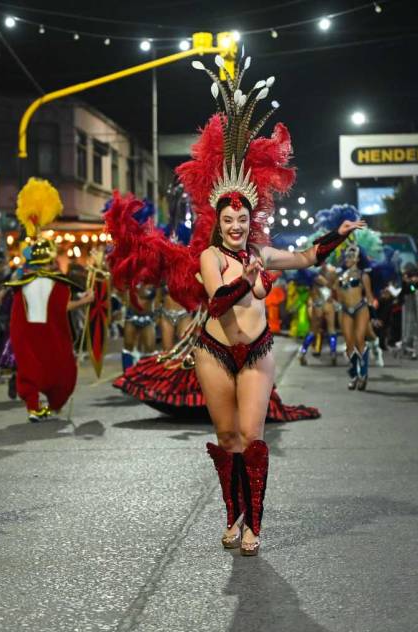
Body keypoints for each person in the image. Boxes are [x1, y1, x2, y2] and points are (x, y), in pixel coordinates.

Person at [105, 53, 363, 556]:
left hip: (257, 352)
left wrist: (338, 235)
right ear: (219, 220)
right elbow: (218, 301)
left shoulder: (262, 253)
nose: (237, 225)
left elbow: (308, 256)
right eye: (229, 219)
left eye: (244, 218)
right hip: (213, 351)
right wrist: (246, 281)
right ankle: (233, 514)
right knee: (226, 437)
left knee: (251, 435)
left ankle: (254, 527)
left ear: (251, 219)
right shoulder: (209, 257)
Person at [6, 178, 94, 422]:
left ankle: (34, 408)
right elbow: (63, 308)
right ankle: (50, 404)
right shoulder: (56, 284)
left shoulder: (19, 284)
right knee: (56, 368)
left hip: (26, 332)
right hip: (48, 332)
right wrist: (86, 301)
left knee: (30, 370)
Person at [336, 245, 373, 390]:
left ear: (357, 259)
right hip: (346, 310)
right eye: (347, 256)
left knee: (359, 340)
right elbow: (337, 294)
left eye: (351, 256)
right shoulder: (340, 276)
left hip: (360, 309)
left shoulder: (363, 275)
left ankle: (363, 374)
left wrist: (374, 316)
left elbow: (369, 296)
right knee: (349, 344)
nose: (348, 259)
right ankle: (353, 375)